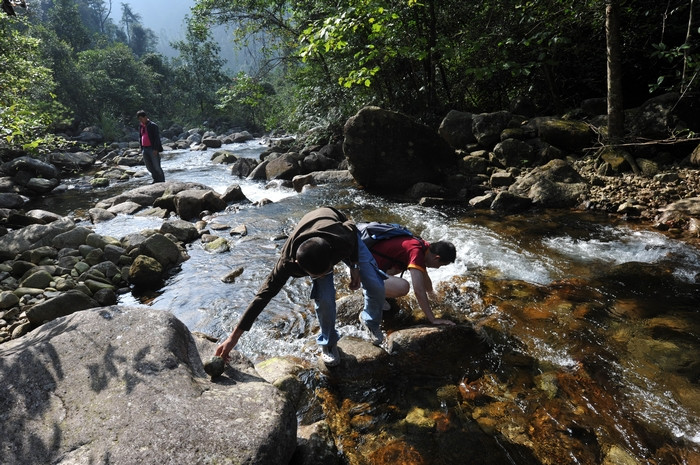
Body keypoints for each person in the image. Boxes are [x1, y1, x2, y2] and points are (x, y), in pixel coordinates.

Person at [214, 206, 388, 367]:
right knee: (325, 299)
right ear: (298, 265)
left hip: (333, 224)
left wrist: (354, 266)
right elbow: (263, 296)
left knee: (375, 284)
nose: (322, 276)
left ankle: (369, 320)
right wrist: (233, 338)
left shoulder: (341, 239)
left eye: (326, 271)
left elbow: (350, 227)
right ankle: (328, 343)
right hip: (311, 235)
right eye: (316, 275)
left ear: (332, 258)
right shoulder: (287, 262)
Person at [366, 235, 457, 327]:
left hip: (367, 263)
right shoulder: (416, 252)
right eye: (440, 265)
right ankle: (372, 297)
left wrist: (432, 296)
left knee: (401, 266)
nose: (438, 268)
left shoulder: (424, 247)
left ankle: (374, 286)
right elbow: (418, 291)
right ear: (436, 258)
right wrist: (433, 319)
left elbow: (424, 277)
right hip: (363, 269)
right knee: (403, 287)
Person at [136, 110, 165, 183]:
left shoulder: (153, 125)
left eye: (141, 119)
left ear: (145, 117)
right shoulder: (141, 126)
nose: (140, 120)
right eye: (139, 119)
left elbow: (156, 138)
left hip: (152, 149)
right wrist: (141, 147)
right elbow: (140, 136)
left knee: (157, 167)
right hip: (144, 149)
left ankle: (162, 181)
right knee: (149, 167)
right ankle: (155, 179)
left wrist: (155, 149)